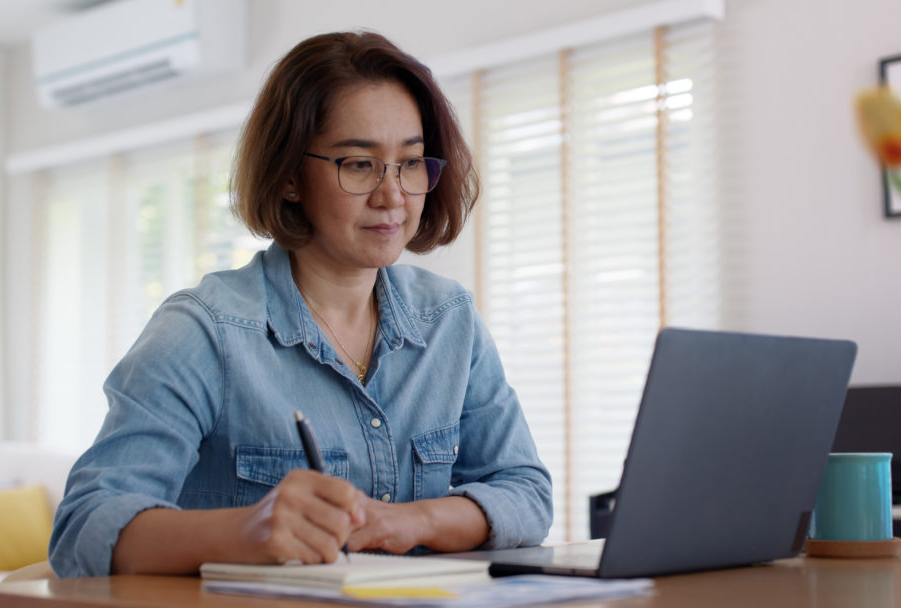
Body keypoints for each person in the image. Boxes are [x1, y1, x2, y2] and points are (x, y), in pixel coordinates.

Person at [48, 31, 553, 578]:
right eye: (359, 164)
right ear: (290, 176)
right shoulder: (203, 330)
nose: (393, 196)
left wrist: (410, 521)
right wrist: (246, 531)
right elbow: (85, 525)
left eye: (409, 163)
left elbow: (526, 492)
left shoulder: (449, 319)